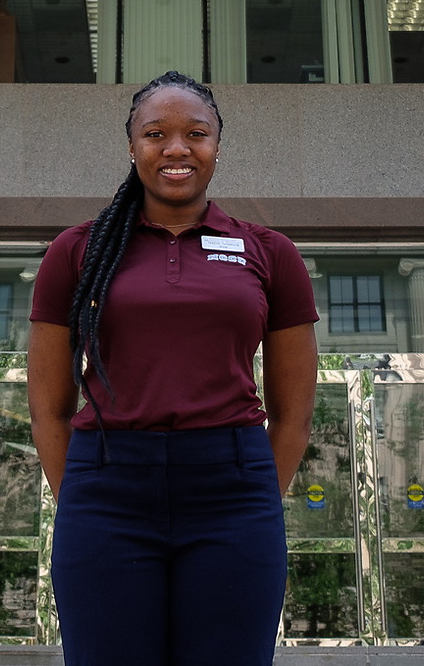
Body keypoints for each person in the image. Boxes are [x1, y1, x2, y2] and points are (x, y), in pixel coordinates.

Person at [27, 72, 319, 666]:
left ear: (217, 146)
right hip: (107, 490)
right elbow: (49, 409)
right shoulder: (77, 250)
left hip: (232, 494)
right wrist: (85, 494)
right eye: (155, 133)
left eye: (197, 134)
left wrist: (257, 492)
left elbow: (293, 415)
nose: (177, 148)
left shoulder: (271, 252)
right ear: (132, 147)